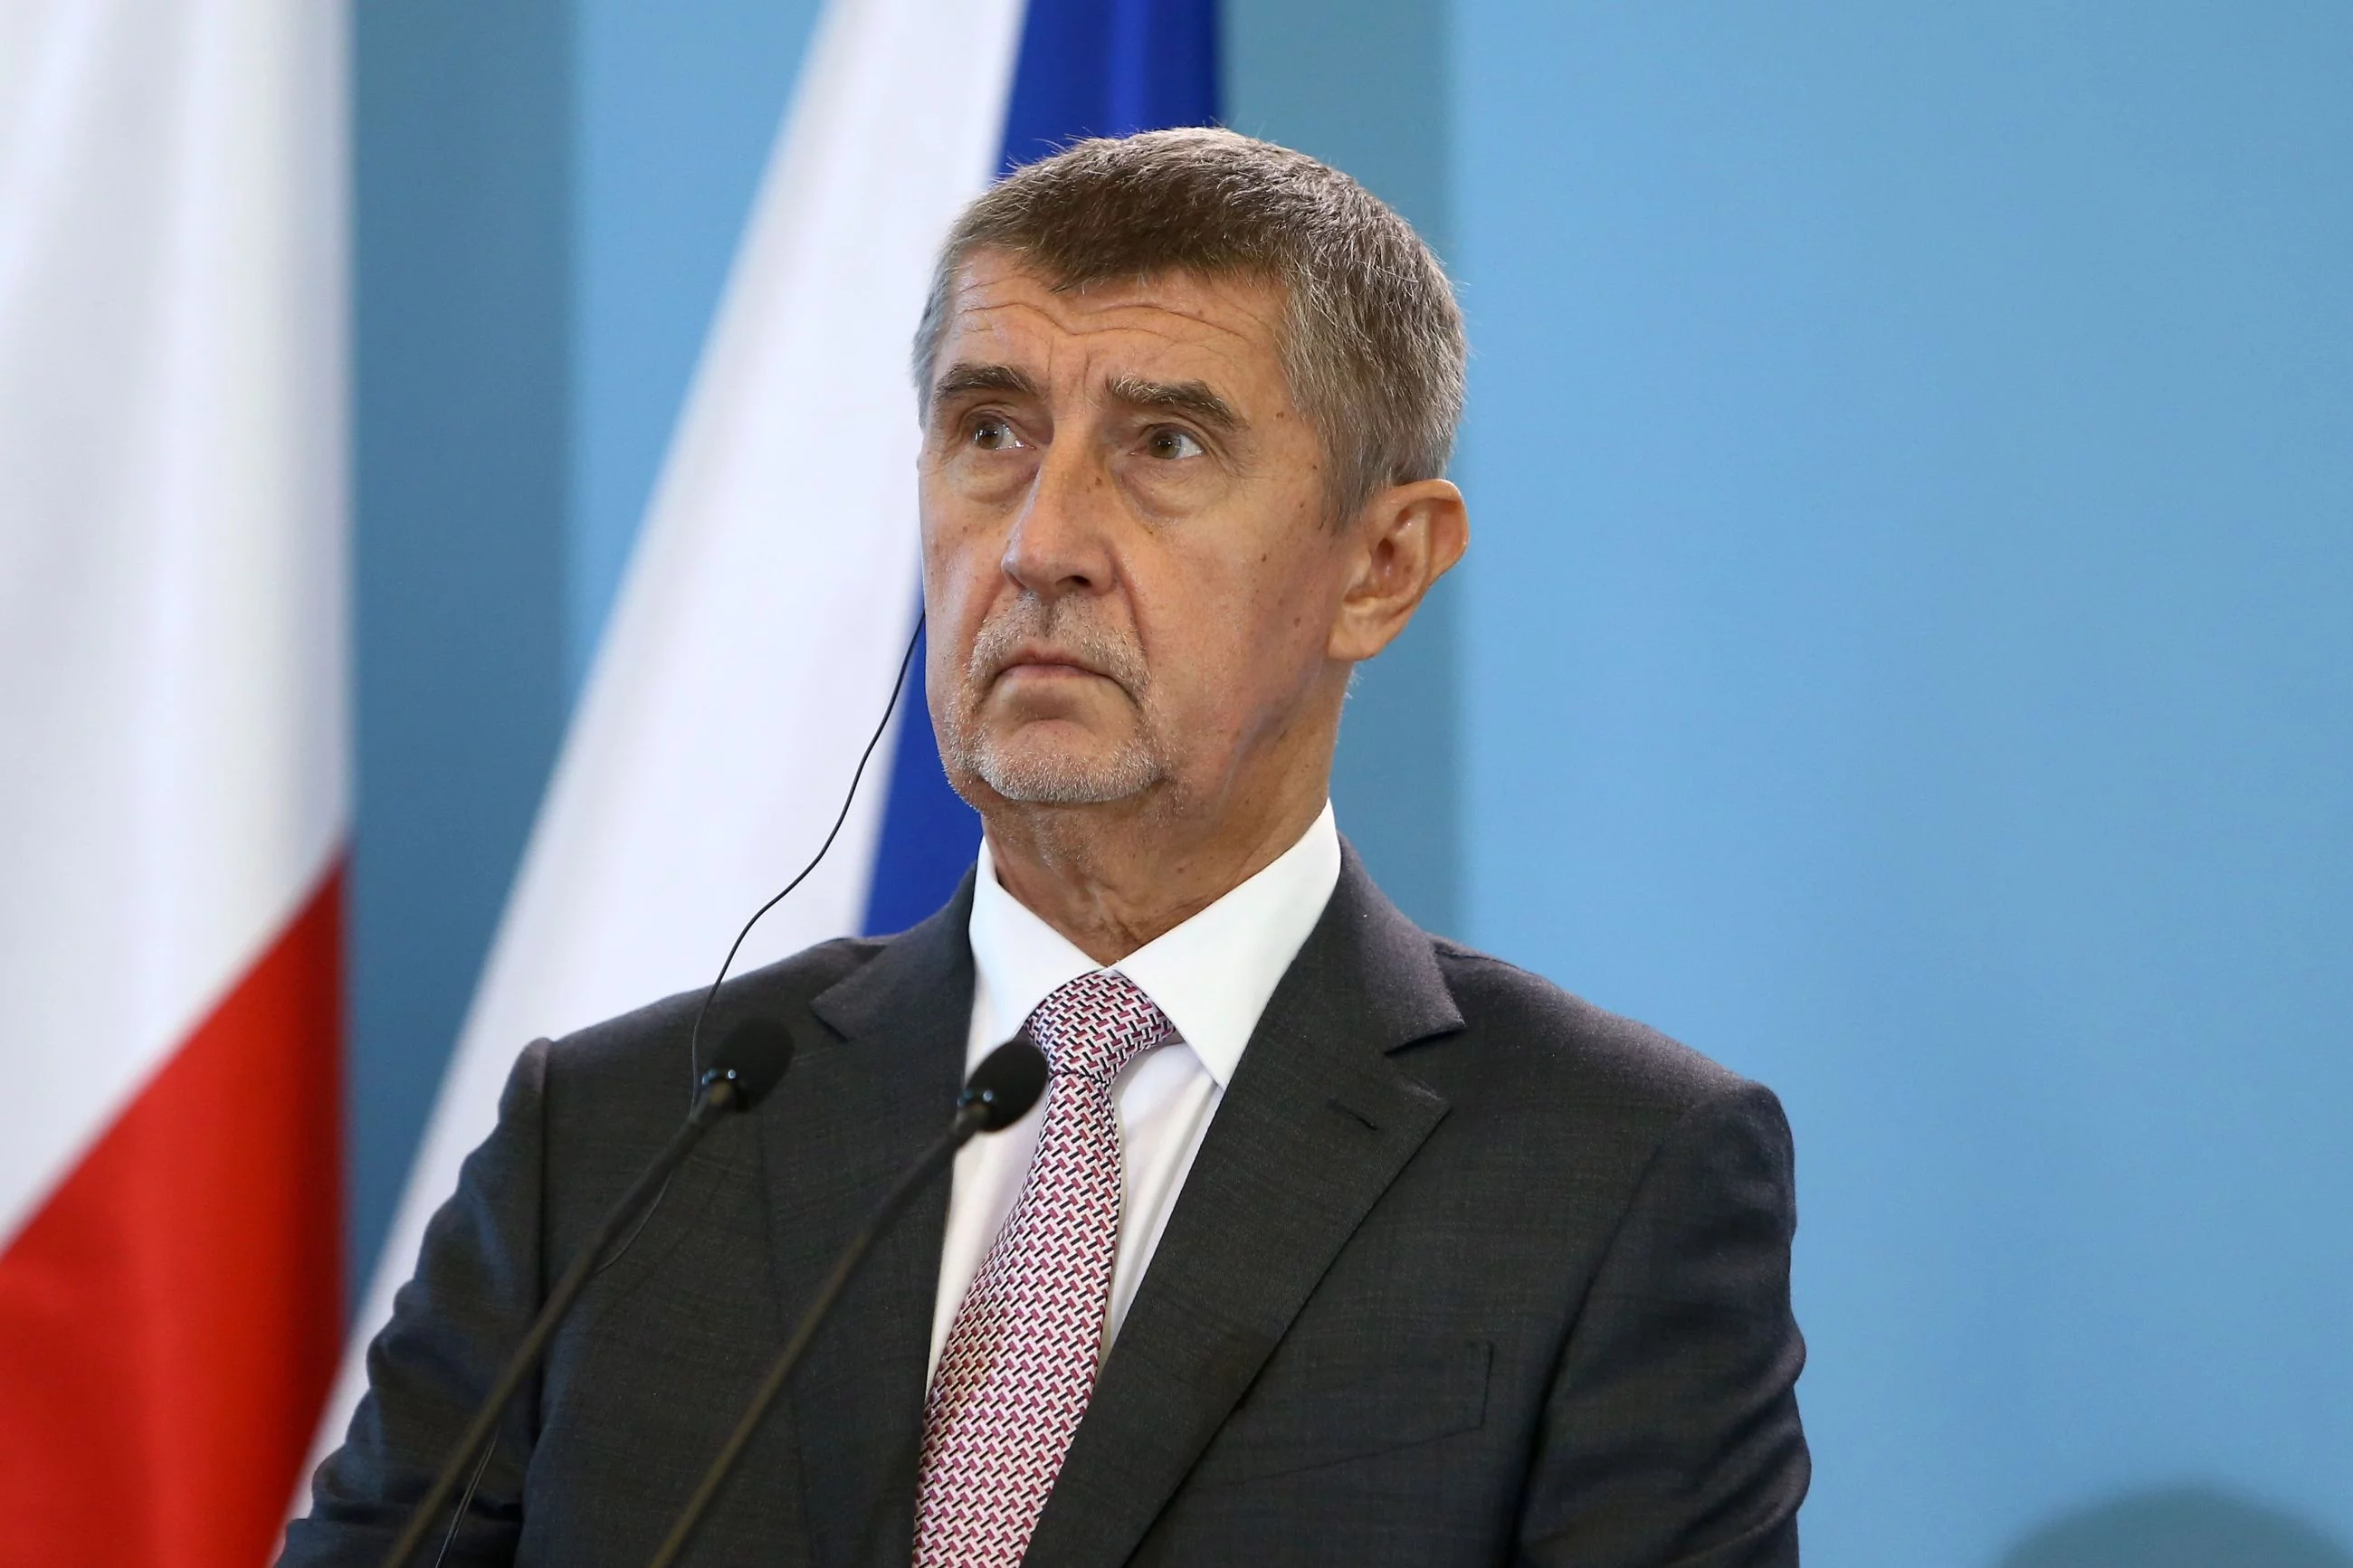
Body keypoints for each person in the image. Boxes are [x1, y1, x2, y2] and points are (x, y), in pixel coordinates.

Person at [284, 128, 1808, 1567]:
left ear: (1382, 567)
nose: (1038, 544)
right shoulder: (619, 1140)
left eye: (1167, 443)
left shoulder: (1615, 1173)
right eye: (992, 432)